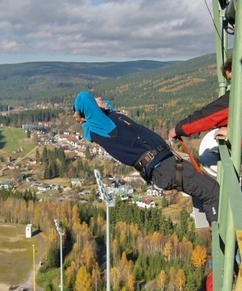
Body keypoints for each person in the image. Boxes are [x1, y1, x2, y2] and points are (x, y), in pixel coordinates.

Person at [73, 91, 220, 224]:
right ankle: (219, 234)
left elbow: (109, 107)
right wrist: (81, 112)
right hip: (163, 167)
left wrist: (101, 105)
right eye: (95, 99)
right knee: (212, 193)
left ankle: (216, 227)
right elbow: (84, 97)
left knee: (212, 188)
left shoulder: (109, 120)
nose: (99, 98)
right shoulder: (102, 127)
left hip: (166, 164)